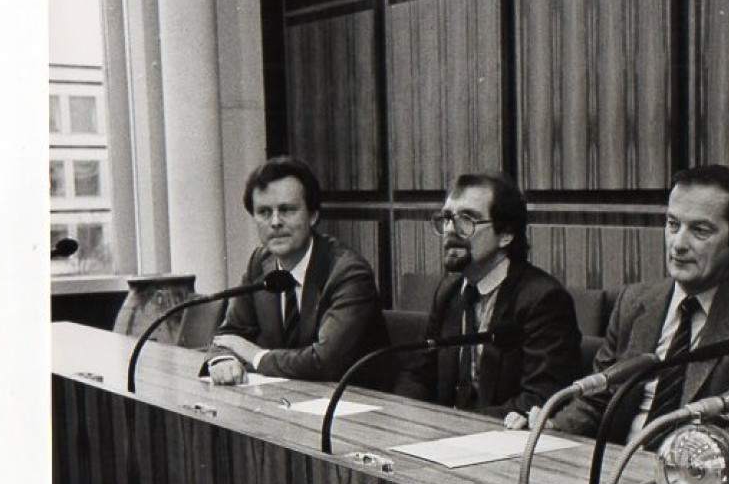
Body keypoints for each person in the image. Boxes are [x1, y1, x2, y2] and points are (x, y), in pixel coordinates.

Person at [546, 164, 729, 455]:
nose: (678, 244)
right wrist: (551, 430)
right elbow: (598, 399)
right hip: (613, 464)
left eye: (700, 230)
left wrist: (679, 457)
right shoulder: (634, 301)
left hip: (692, 476)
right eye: (672, 225)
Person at [393, 172, 582, 419]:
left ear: (505, 234)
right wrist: (400, 414)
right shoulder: (448, 292)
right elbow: (418, 374)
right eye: (447, 218)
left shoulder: (543, 300)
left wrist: (457, 427)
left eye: (467, 220)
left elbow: (540, 397)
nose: (450, 230)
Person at [207, 156, 389, 384]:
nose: (275, 222)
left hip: (354, 407)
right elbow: (229, 335)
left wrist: (256, 356)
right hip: (289, 401)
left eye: (287, 210)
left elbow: (325, 363)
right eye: (264, 212)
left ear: (313, 215)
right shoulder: (259, 262)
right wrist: (222, 360)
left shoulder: (347, 272)